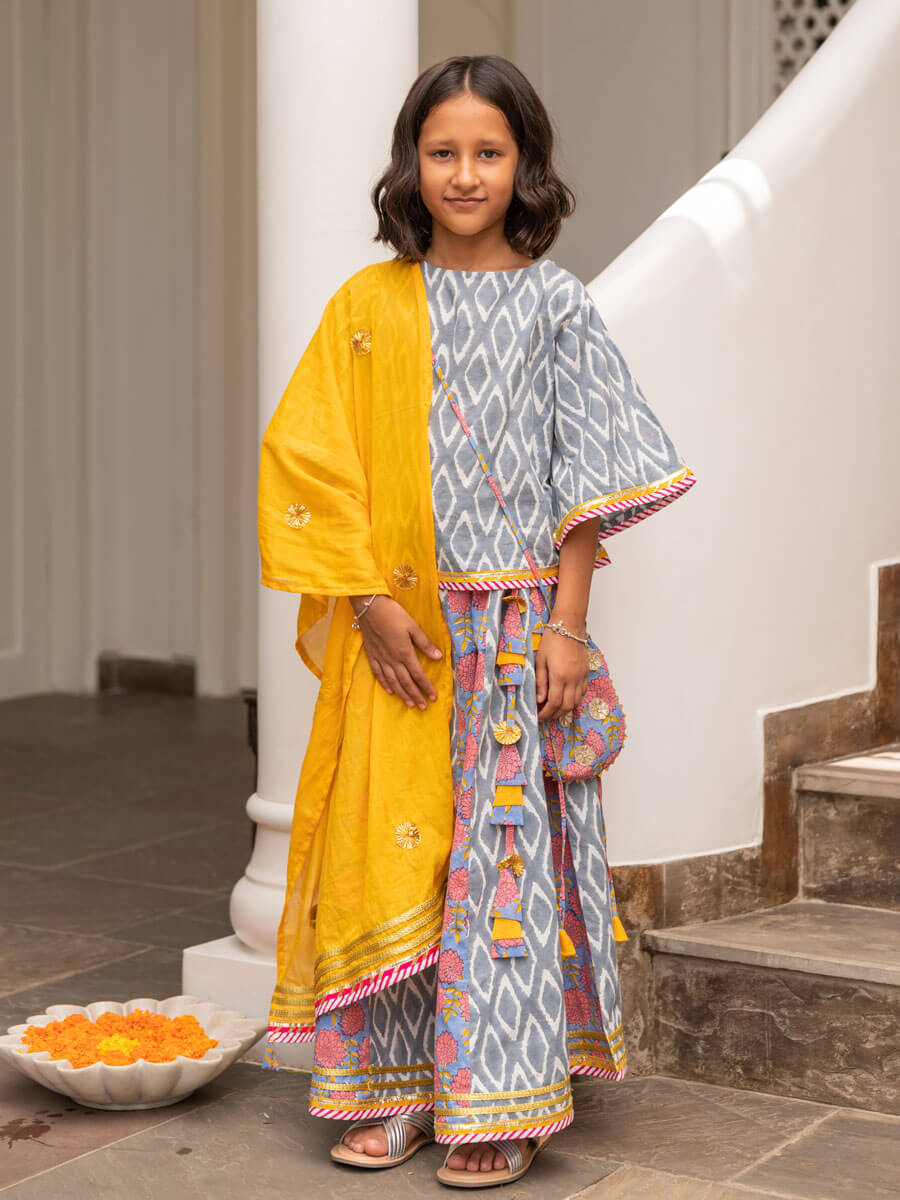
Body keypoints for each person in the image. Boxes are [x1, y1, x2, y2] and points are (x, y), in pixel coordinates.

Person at [257, 53, 696, 1189]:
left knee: (500, 869)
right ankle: (395, 1091)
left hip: (511, 639)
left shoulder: (557, 304)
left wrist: (566, 628)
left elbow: (586, 478)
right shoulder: (367, 307)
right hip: (401, 635)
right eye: (442, 151)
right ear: (411, 164)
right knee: (392, 855)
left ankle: (499, 1098)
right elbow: (309, 461)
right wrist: (368, 606)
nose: (463, 174)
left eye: (487, 152)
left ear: (523, 164)